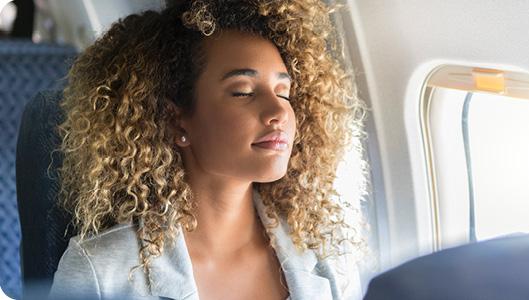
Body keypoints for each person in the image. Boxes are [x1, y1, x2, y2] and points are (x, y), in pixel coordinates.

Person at [48, 0, 368, 299]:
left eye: (284, 93)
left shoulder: (324, 255)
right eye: (243, 92)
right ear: (177, 122)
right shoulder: (100, 270)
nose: (280, 112)